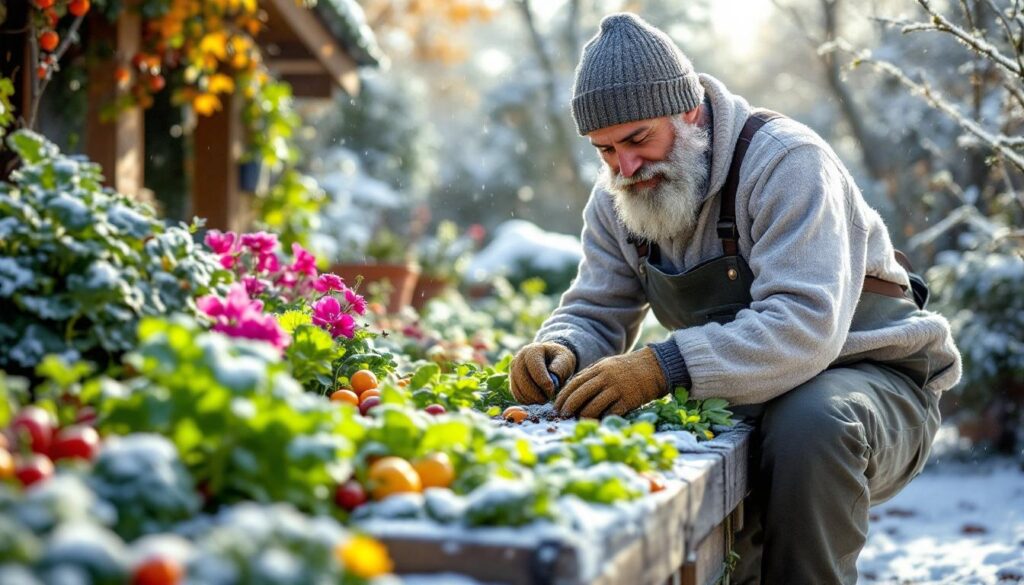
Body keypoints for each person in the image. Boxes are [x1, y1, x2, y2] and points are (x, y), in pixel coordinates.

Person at [508, 12, 962, 585]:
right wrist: (561, 348)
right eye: (604, 150)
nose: (624, 167)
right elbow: (596, 308)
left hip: (873, 381)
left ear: (689, 110)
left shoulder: (785, 163)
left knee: (810, 425)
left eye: (638, 139)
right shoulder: (618, 200)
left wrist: (661, 365)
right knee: (711, 515)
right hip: (748, 392)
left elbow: (803, 326)